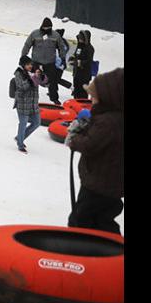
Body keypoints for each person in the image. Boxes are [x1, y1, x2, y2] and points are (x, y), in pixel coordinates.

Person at [67, 69, 123, 234]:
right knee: (102, 219)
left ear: (109, 99)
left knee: (80, 219)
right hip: (111, 183)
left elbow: (89, 145)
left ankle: (83, 251)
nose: (91, 100)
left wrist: (74, 138)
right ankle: (109, 250)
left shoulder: (107, 122)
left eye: (94, 97)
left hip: (98, 183)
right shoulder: (115, 119)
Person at [20, 19, 62, 105]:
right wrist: (23, 56)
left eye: (49, 27)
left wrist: (63, 57)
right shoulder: (35, 34)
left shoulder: (56, 35)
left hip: (50, 62)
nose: (47, 29)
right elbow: (27, 45)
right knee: (32, 79)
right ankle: (29, 96)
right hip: (36, 62)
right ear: (42, 26)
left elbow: (61, 47)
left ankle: (54, 98)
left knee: (53, 81)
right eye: (45, 27)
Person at [10, 57, 46, 152]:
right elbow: (22, 87)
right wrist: (32, 78)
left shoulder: (34, 72)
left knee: (37, 122)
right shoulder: (18, 73)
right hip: (23, 103)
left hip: (33, 103)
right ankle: (20, 144)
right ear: (23, 65)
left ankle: (19, 137)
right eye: (27, 64)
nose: (30, 66)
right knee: (23, 123)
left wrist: (41, 76)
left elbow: (45, 84)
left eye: (31, 64)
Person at [68, 30, 96, 100]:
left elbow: (89, 61)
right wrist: (72, 58)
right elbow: (76, 55)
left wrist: (79, 62)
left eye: (81, 38)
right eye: (79, 38)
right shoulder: (79, 46)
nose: (80, 40)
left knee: (83, 92)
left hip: (84, 75)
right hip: (77, 73)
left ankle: (83, 106)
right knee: (76, 91)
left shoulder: (90, 48)